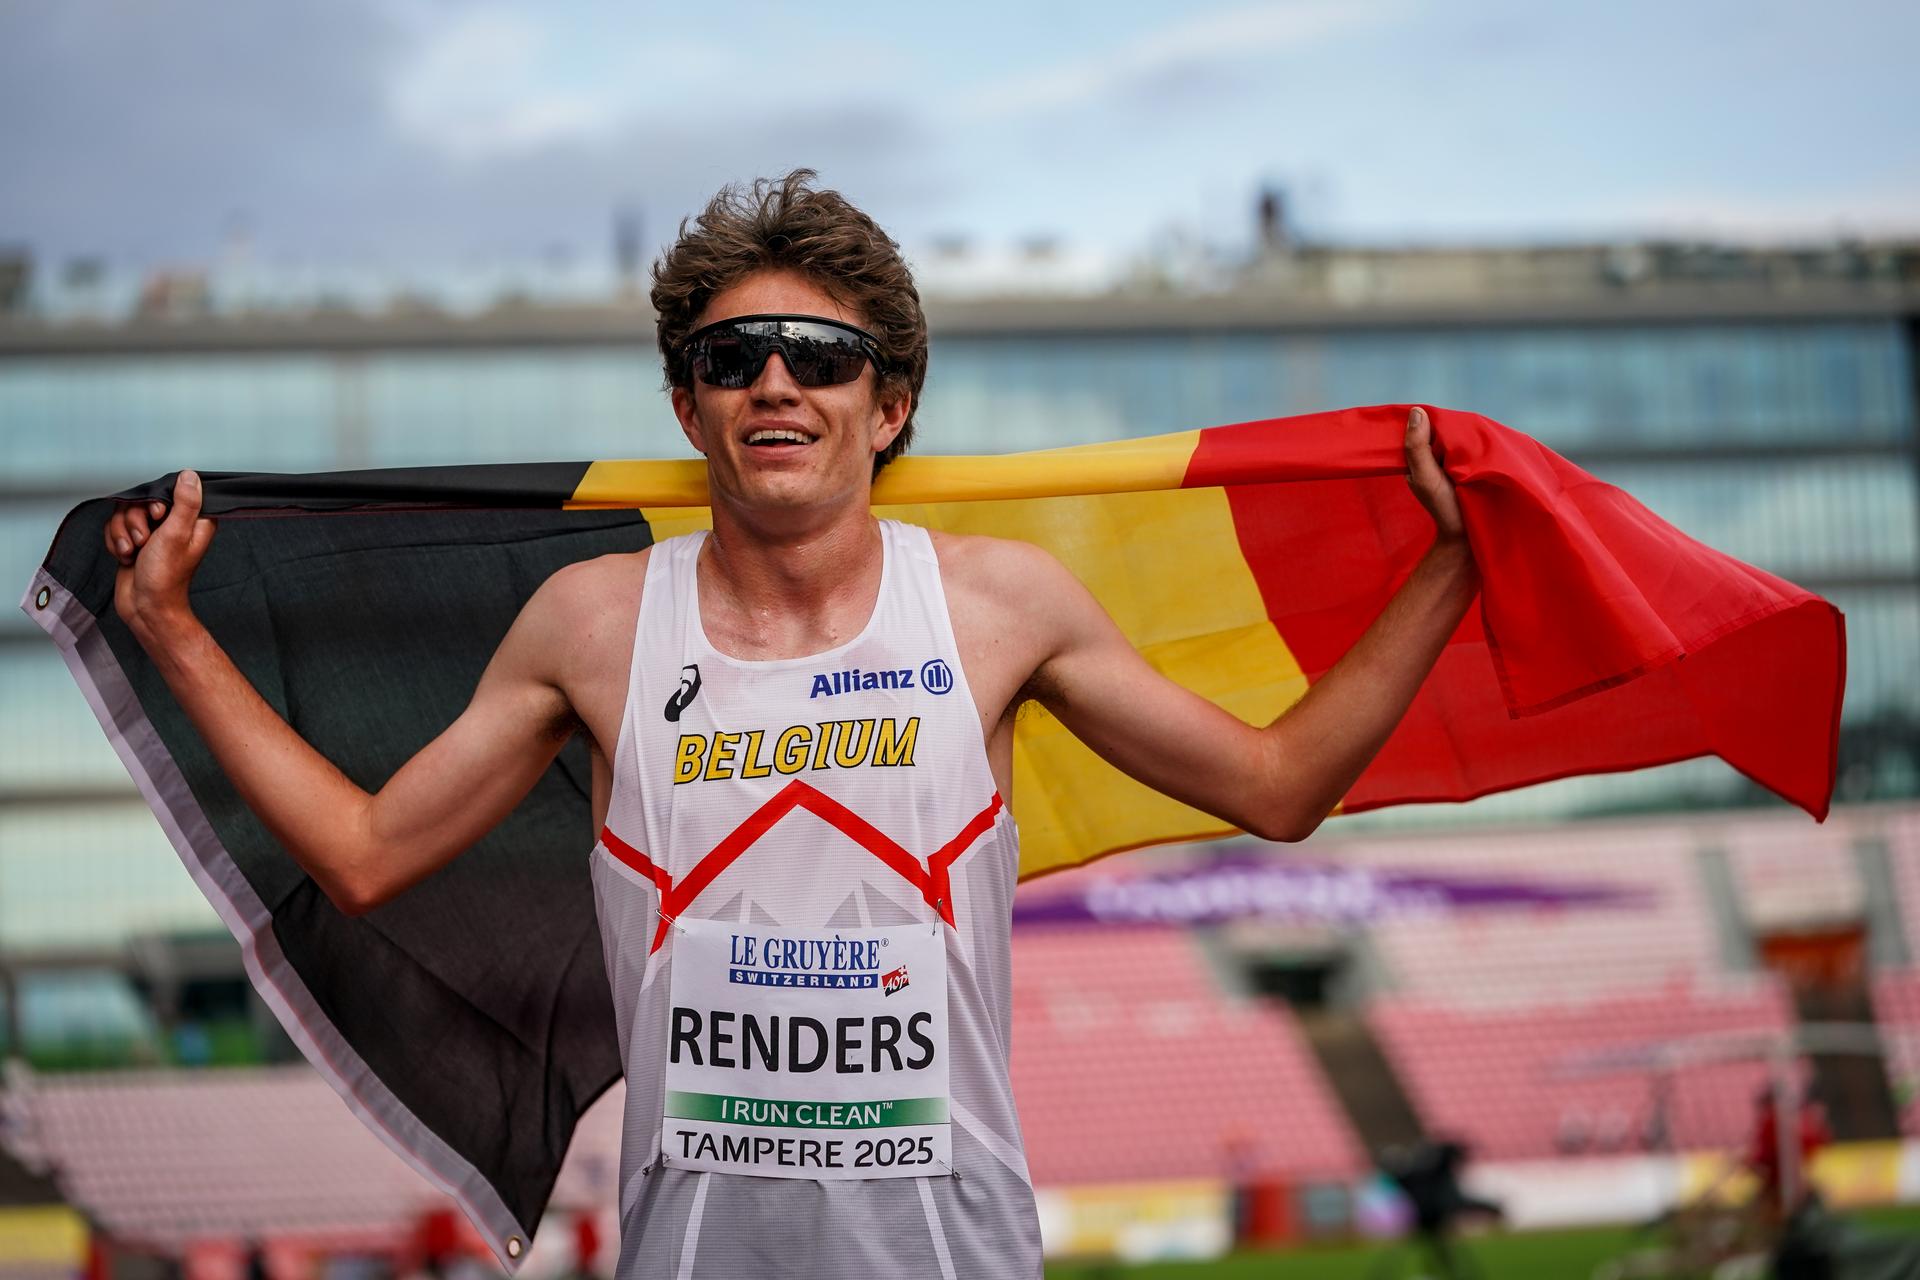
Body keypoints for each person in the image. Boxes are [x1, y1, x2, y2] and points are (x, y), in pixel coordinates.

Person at [103, 170, 1477, 1278]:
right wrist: (170, 627)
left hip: (953, 1255)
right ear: (689, 403)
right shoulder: (592, 625)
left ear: (890, 408)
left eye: (819, 356)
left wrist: (1448, 574)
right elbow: (360, 852)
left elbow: (1279, 784)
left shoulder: (999, 608)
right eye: (732, 355)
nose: (775, 382)